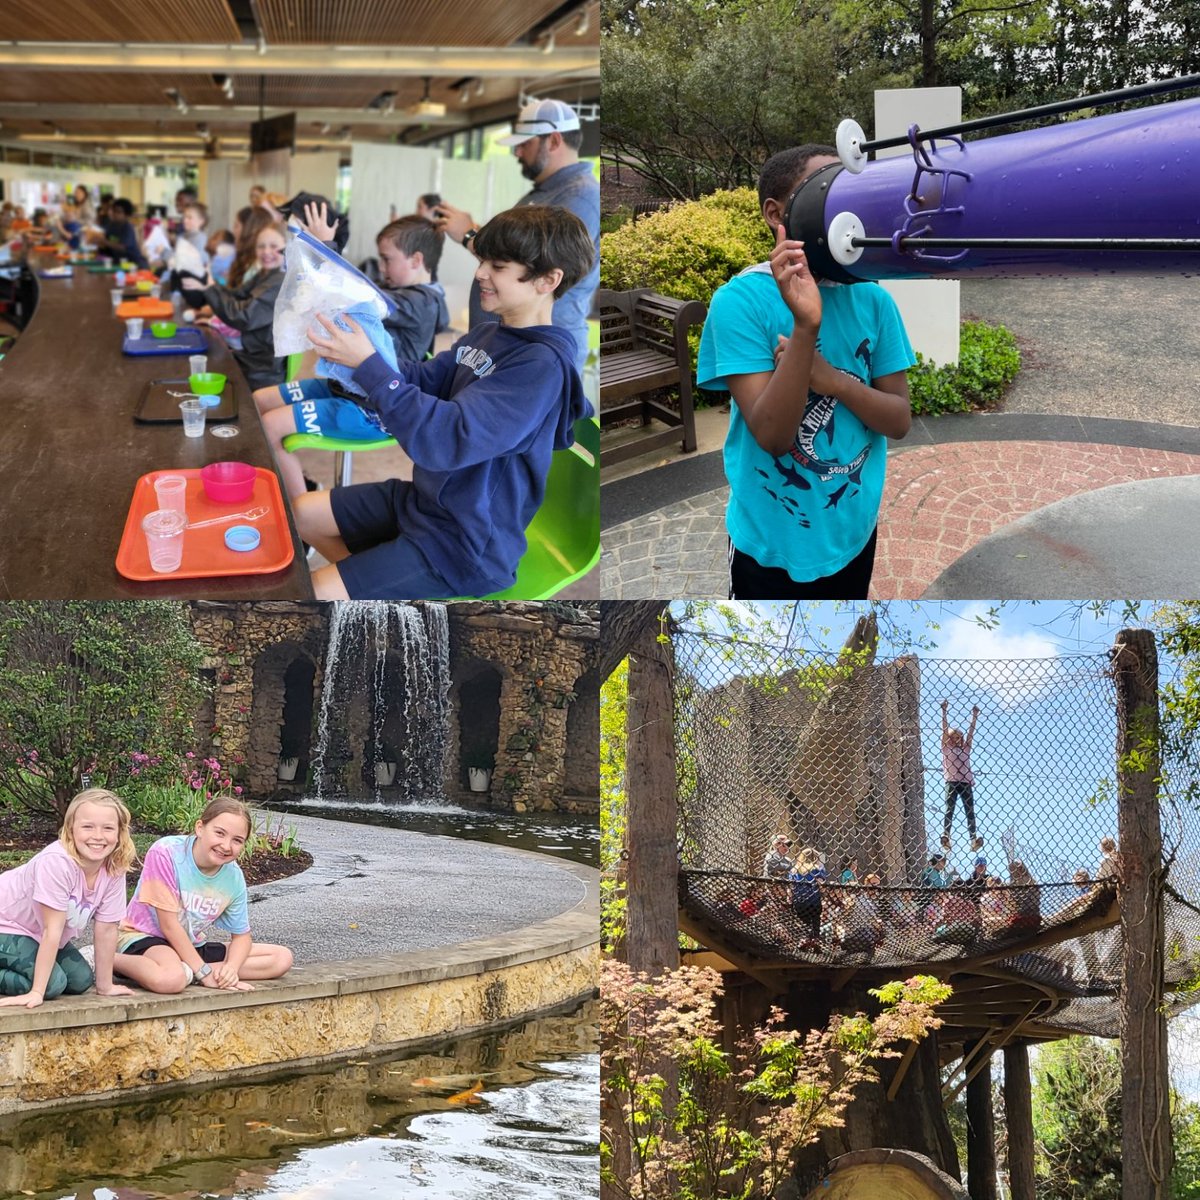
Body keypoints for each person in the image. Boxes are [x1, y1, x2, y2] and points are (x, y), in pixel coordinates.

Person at [290, 204, 595, 600]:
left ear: (547, 280)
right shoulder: (487, 335)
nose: (479, 272)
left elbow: (447, 439)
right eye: (483, 259)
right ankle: (376, 595)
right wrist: (362, 347)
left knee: (314, 590)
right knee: (298, 513)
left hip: (466, 545)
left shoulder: (541, 368)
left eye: (498, 266)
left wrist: (370, 367)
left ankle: (367, 592)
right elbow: (420, 378)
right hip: (429, 505)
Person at [696, 145, 916, 599]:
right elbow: (773, 437)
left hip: (854, 533)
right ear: (775, 214)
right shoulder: (740, 303)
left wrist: (831, 379)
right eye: (822, 192)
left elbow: (898, 421)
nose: (840, 207)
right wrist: (805, 325)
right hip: (770, 546)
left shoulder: (873, 300)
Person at [254, 211, 450, 501]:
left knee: (270, 425)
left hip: (372, 410)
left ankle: (301, 518)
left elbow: (361, 293)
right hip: (346, 390)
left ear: (416, 260)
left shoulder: (420, 303)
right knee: (259, 400)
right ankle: (287, 484)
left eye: (387, 259)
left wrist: (326, 248)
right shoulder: (403, 292)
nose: (381, 267)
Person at [434, 98, 599, 372]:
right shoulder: (543, 192)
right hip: (508, 342)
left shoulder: (581, 196)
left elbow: (532, 261)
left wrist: (468, 233)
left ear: (554, 141)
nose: (517, 153)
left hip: (533, 351)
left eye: (525, 144)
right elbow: (515, 252)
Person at [113, 797, 293, 994]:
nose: (226, 846)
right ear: (200, 828)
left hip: (189, 946)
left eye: (237, 840)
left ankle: (188, 972)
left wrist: (231, 968)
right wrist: (205, 973)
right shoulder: (167, 852)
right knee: (170, 980)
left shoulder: (233, 876)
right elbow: (169, 925)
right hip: (144, 938)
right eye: (219, 833)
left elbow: (242, 937)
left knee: (281, 958)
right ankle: (105, 958)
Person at [0, 789, 137, 1009]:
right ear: (70, 828)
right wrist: (37, 992)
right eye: (87, 826)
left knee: (80, 980)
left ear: (120, 833)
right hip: (7, 926)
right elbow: (51, 930)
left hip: (36, 934)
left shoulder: (115, 867)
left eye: (108, 828)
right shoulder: (57, 862)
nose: (98, 836)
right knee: (52, 986)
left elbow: (107, 928)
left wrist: (105, 986)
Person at [180, 221, 287, 390]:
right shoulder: (266, 274)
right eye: (261, 246)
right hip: (248, 357)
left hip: (261, 370)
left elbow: (242, 316)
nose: (266, 252)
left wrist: (210, 289)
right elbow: (236, 295)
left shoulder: (280, 282)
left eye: (274, 246)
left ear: (288, 247)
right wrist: (209, 286)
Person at [941, 699, 982, 852]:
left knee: (969, 809)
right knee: (949, 809)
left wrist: (974, 716)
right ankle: (946, 835)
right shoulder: (946, 748)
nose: (957, 740)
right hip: (951, 781)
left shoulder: (966, 749)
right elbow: (944, 730)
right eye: (954, 737)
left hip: (965, 782)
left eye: (959, 737)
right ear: (950, 739)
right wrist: (944, 712)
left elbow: (971, 732)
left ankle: (973, 838)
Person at [788, 846, 826, 945]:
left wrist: (790, 899)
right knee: (815, 920)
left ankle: (804, 939)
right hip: (814, 900)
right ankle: (815, 940)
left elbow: (791, 887)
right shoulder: (818, 869)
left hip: (799, 900)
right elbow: (821, 884)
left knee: (803, 922)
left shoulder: (794, 870)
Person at [97, 198, 148, 269]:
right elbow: (105, 245)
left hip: (134, 264)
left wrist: (105, 242)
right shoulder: (111, 226)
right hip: (118, 263)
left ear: (127, 215)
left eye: (118, 212)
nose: (115, 214)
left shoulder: (128, 228)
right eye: (114, 211)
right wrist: (98, 241)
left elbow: (123, 247)